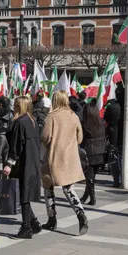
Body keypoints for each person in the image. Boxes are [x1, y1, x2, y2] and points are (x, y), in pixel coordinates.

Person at [40, 90, 89, 236]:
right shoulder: (73, 116)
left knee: (48, 187)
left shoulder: (51, 117)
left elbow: (45, 137)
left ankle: (52, 218)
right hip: (70, 156)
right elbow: (80, 138)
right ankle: (81, 214)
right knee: (68, 188)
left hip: (54, 156)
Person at [3, 96, 42, 238]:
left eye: (15, 105)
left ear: (19, 106)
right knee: (24, 193)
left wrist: (9, 163)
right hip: (32, 161)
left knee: (23, 195)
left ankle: (26, 228)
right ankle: (34, 223)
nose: (13, 106)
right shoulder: (33, 121)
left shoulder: (20, 122)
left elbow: (16, 146)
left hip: (23, 162)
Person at [80, 102, 106, 205]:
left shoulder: (85, 125)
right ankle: (85, 197)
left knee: (89, 178)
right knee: (92, 177)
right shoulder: (102, 123)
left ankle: (92, 198)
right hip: (100, 153)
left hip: (89, 154)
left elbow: (81, 139)